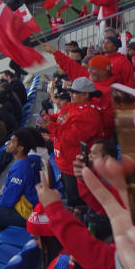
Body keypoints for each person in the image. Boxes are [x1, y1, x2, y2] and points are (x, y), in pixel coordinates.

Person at [0, 128, 41, 262]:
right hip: (28, 208)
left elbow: (8, 201)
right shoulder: (24, 163)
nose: (7, 144)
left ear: (21, 148)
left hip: (26, 214)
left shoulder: (21, 167)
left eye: (12, 142)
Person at [44, 77, 104, 207]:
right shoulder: (72, 106)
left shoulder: (89, 114)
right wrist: (48, 119)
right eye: (71, 91)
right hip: (65, 162)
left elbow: (71, 138)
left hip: (75, 167)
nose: (71, 94)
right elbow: (59, 118)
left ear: (86, 94)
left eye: (75, 92)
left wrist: (50, 127)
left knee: (78, 203)